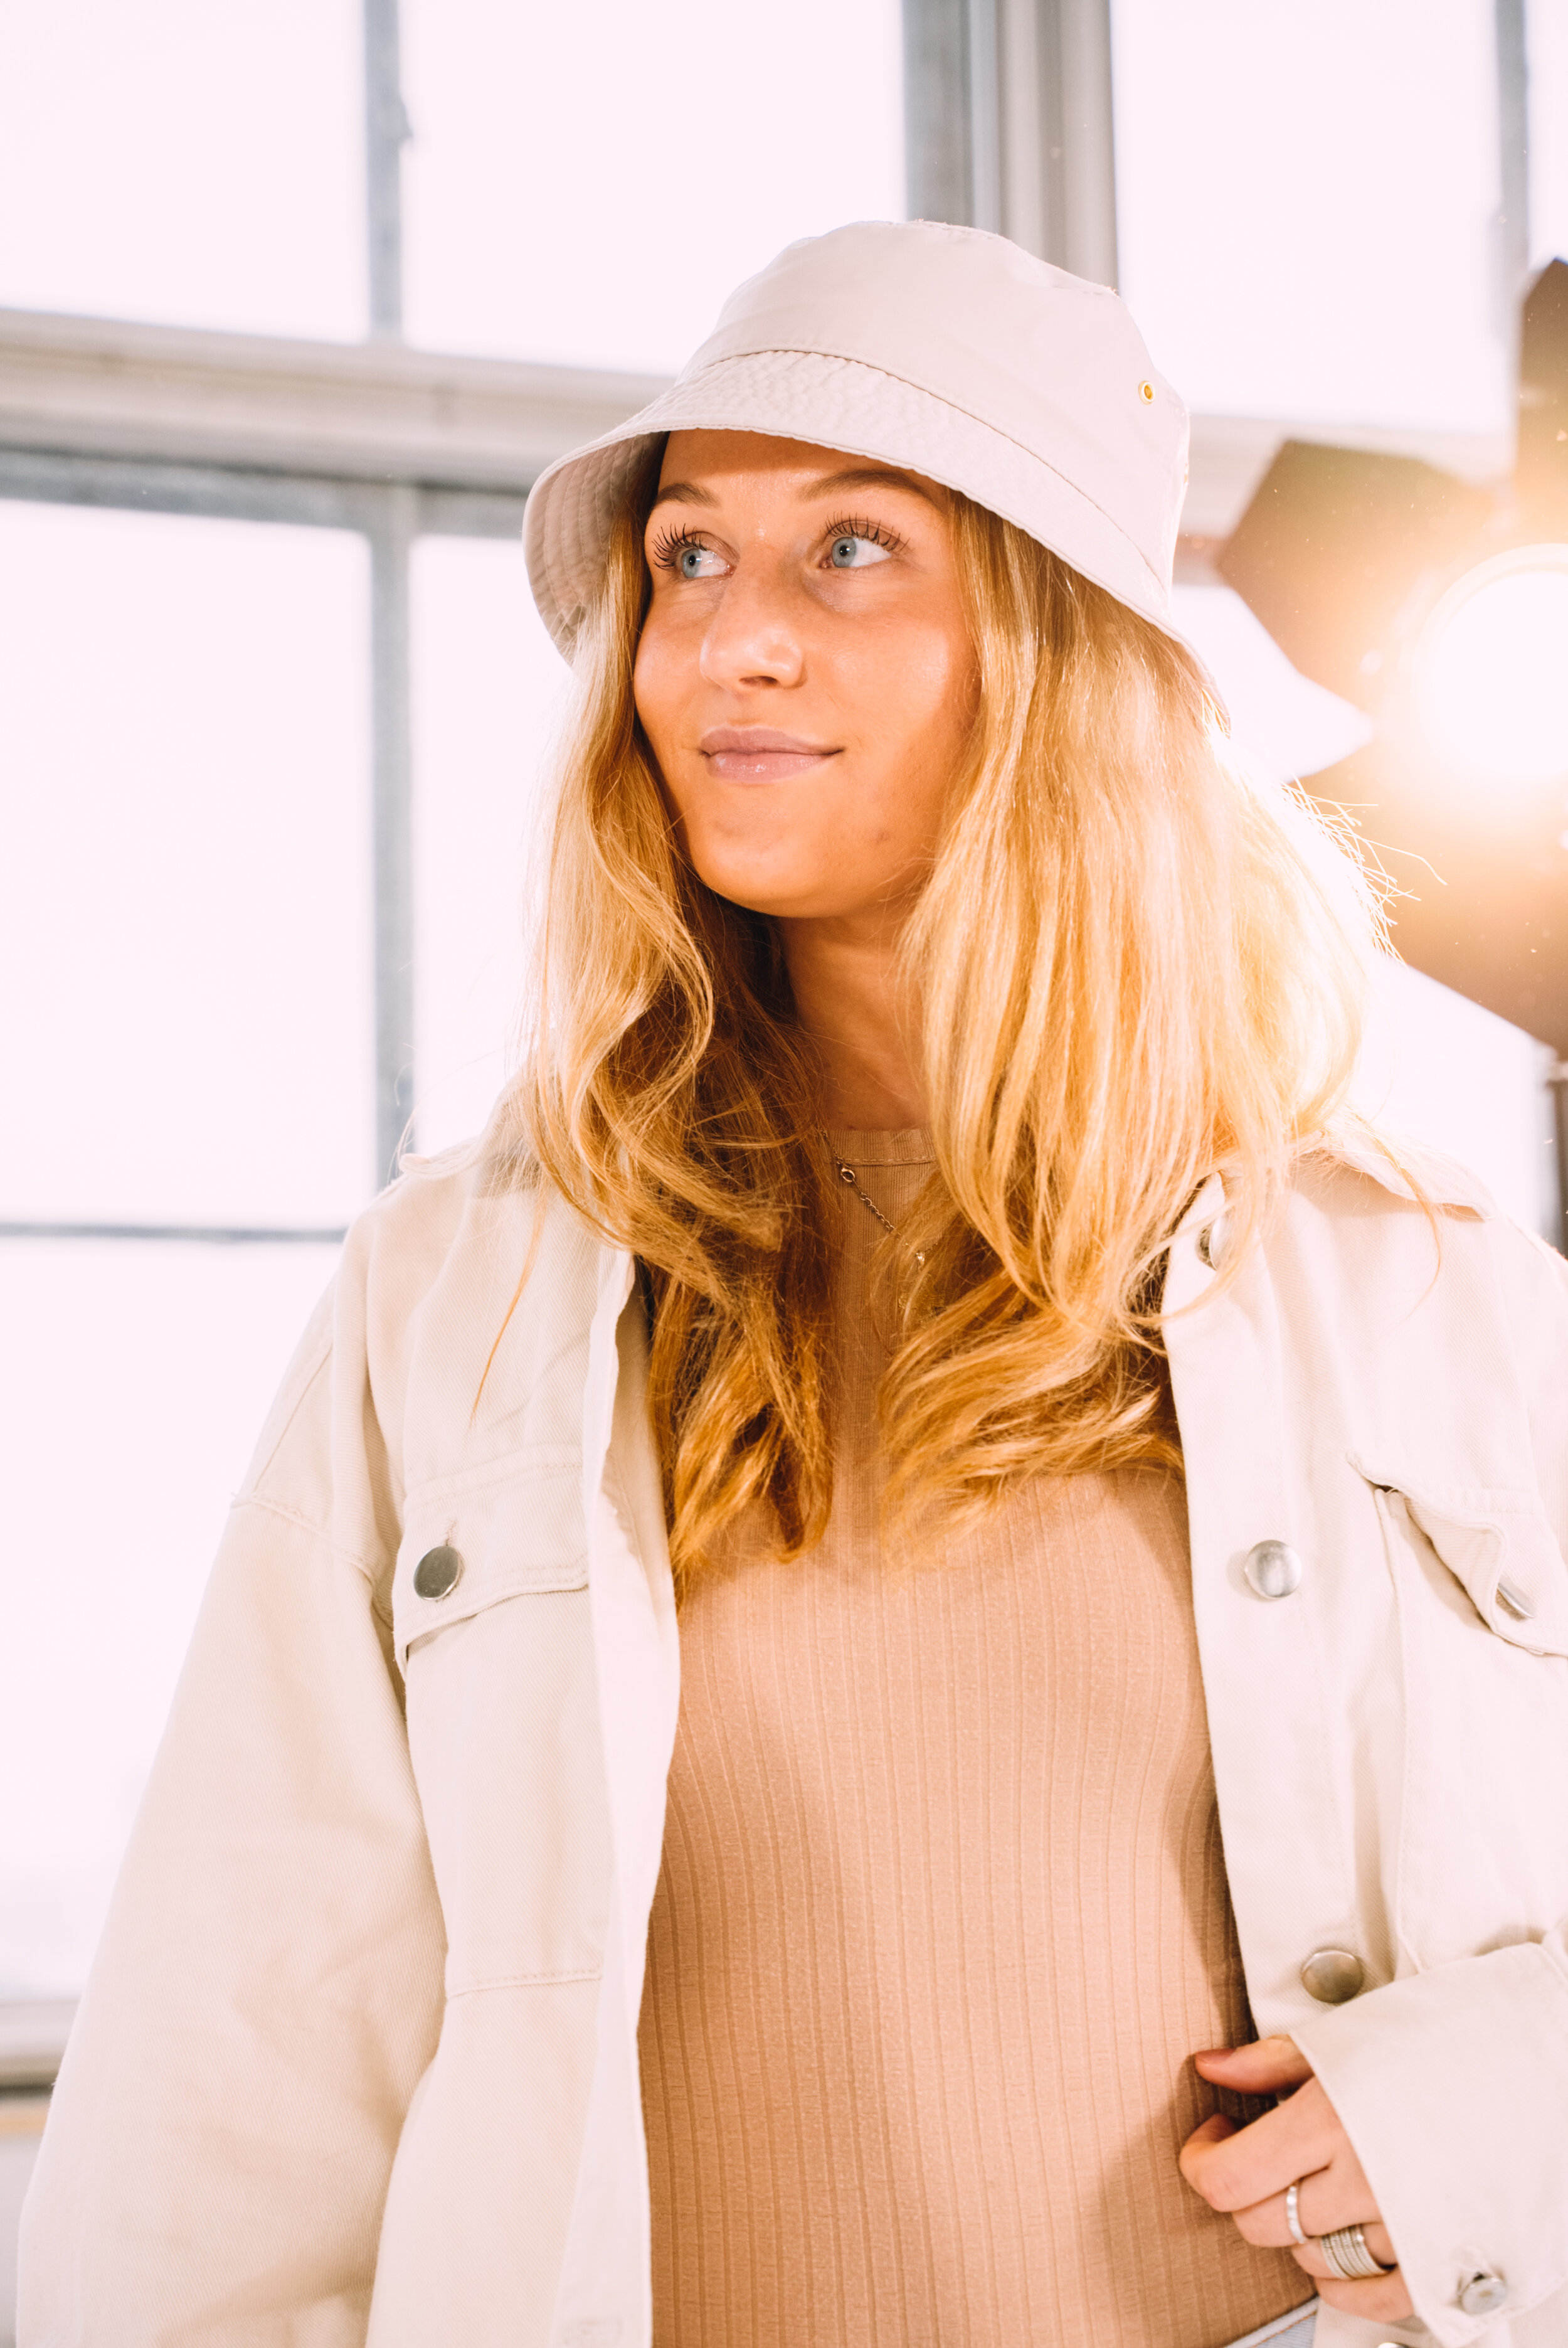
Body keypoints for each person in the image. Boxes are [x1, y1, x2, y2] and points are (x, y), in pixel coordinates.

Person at [18, 222, 1568, 2348]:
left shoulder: (1430, 1293)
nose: (729, 641)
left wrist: (1499, 2118)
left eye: (851, 552)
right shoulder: (450, 1297)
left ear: (1056, 655)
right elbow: (229, 2079)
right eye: (687, 559)